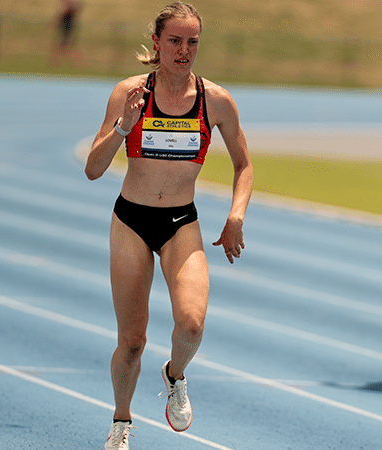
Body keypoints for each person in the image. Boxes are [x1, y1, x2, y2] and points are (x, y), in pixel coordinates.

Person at [84, 3, 253, 449]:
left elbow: (244, 165)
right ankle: (121, 422)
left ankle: (175, 375)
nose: (184, 50)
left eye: (192, 42)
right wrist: (123, 127)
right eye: (175, 41)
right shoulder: (129, 92)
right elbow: (93, 169)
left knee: (192, 324)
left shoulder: (215, 100)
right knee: (133, 340)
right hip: (132, 220)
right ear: (157, 42)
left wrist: (235, 215)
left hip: (181, 221)